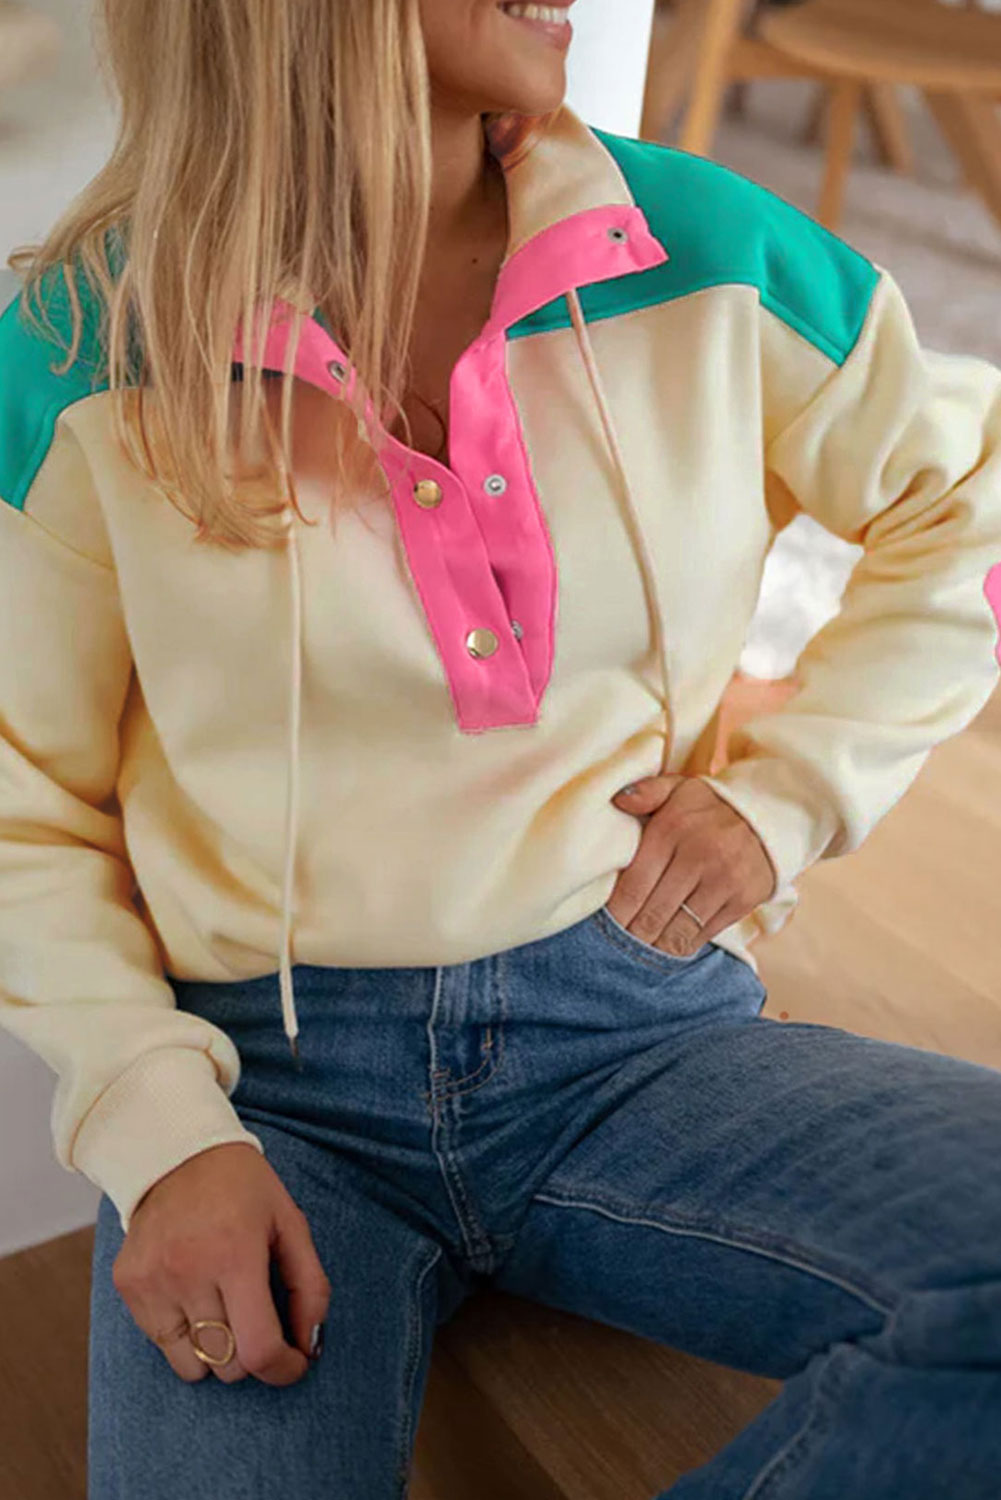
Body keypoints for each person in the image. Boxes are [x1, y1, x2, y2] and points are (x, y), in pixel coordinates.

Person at [2, 1, 1001, 1496]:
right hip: (262, 1094)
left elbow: (965, 500)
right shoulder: (83, 343)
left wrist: (790, 799)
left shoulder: (708, 250)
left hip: (633, 1027)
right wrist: (158, 1137)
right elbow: (20, 796)